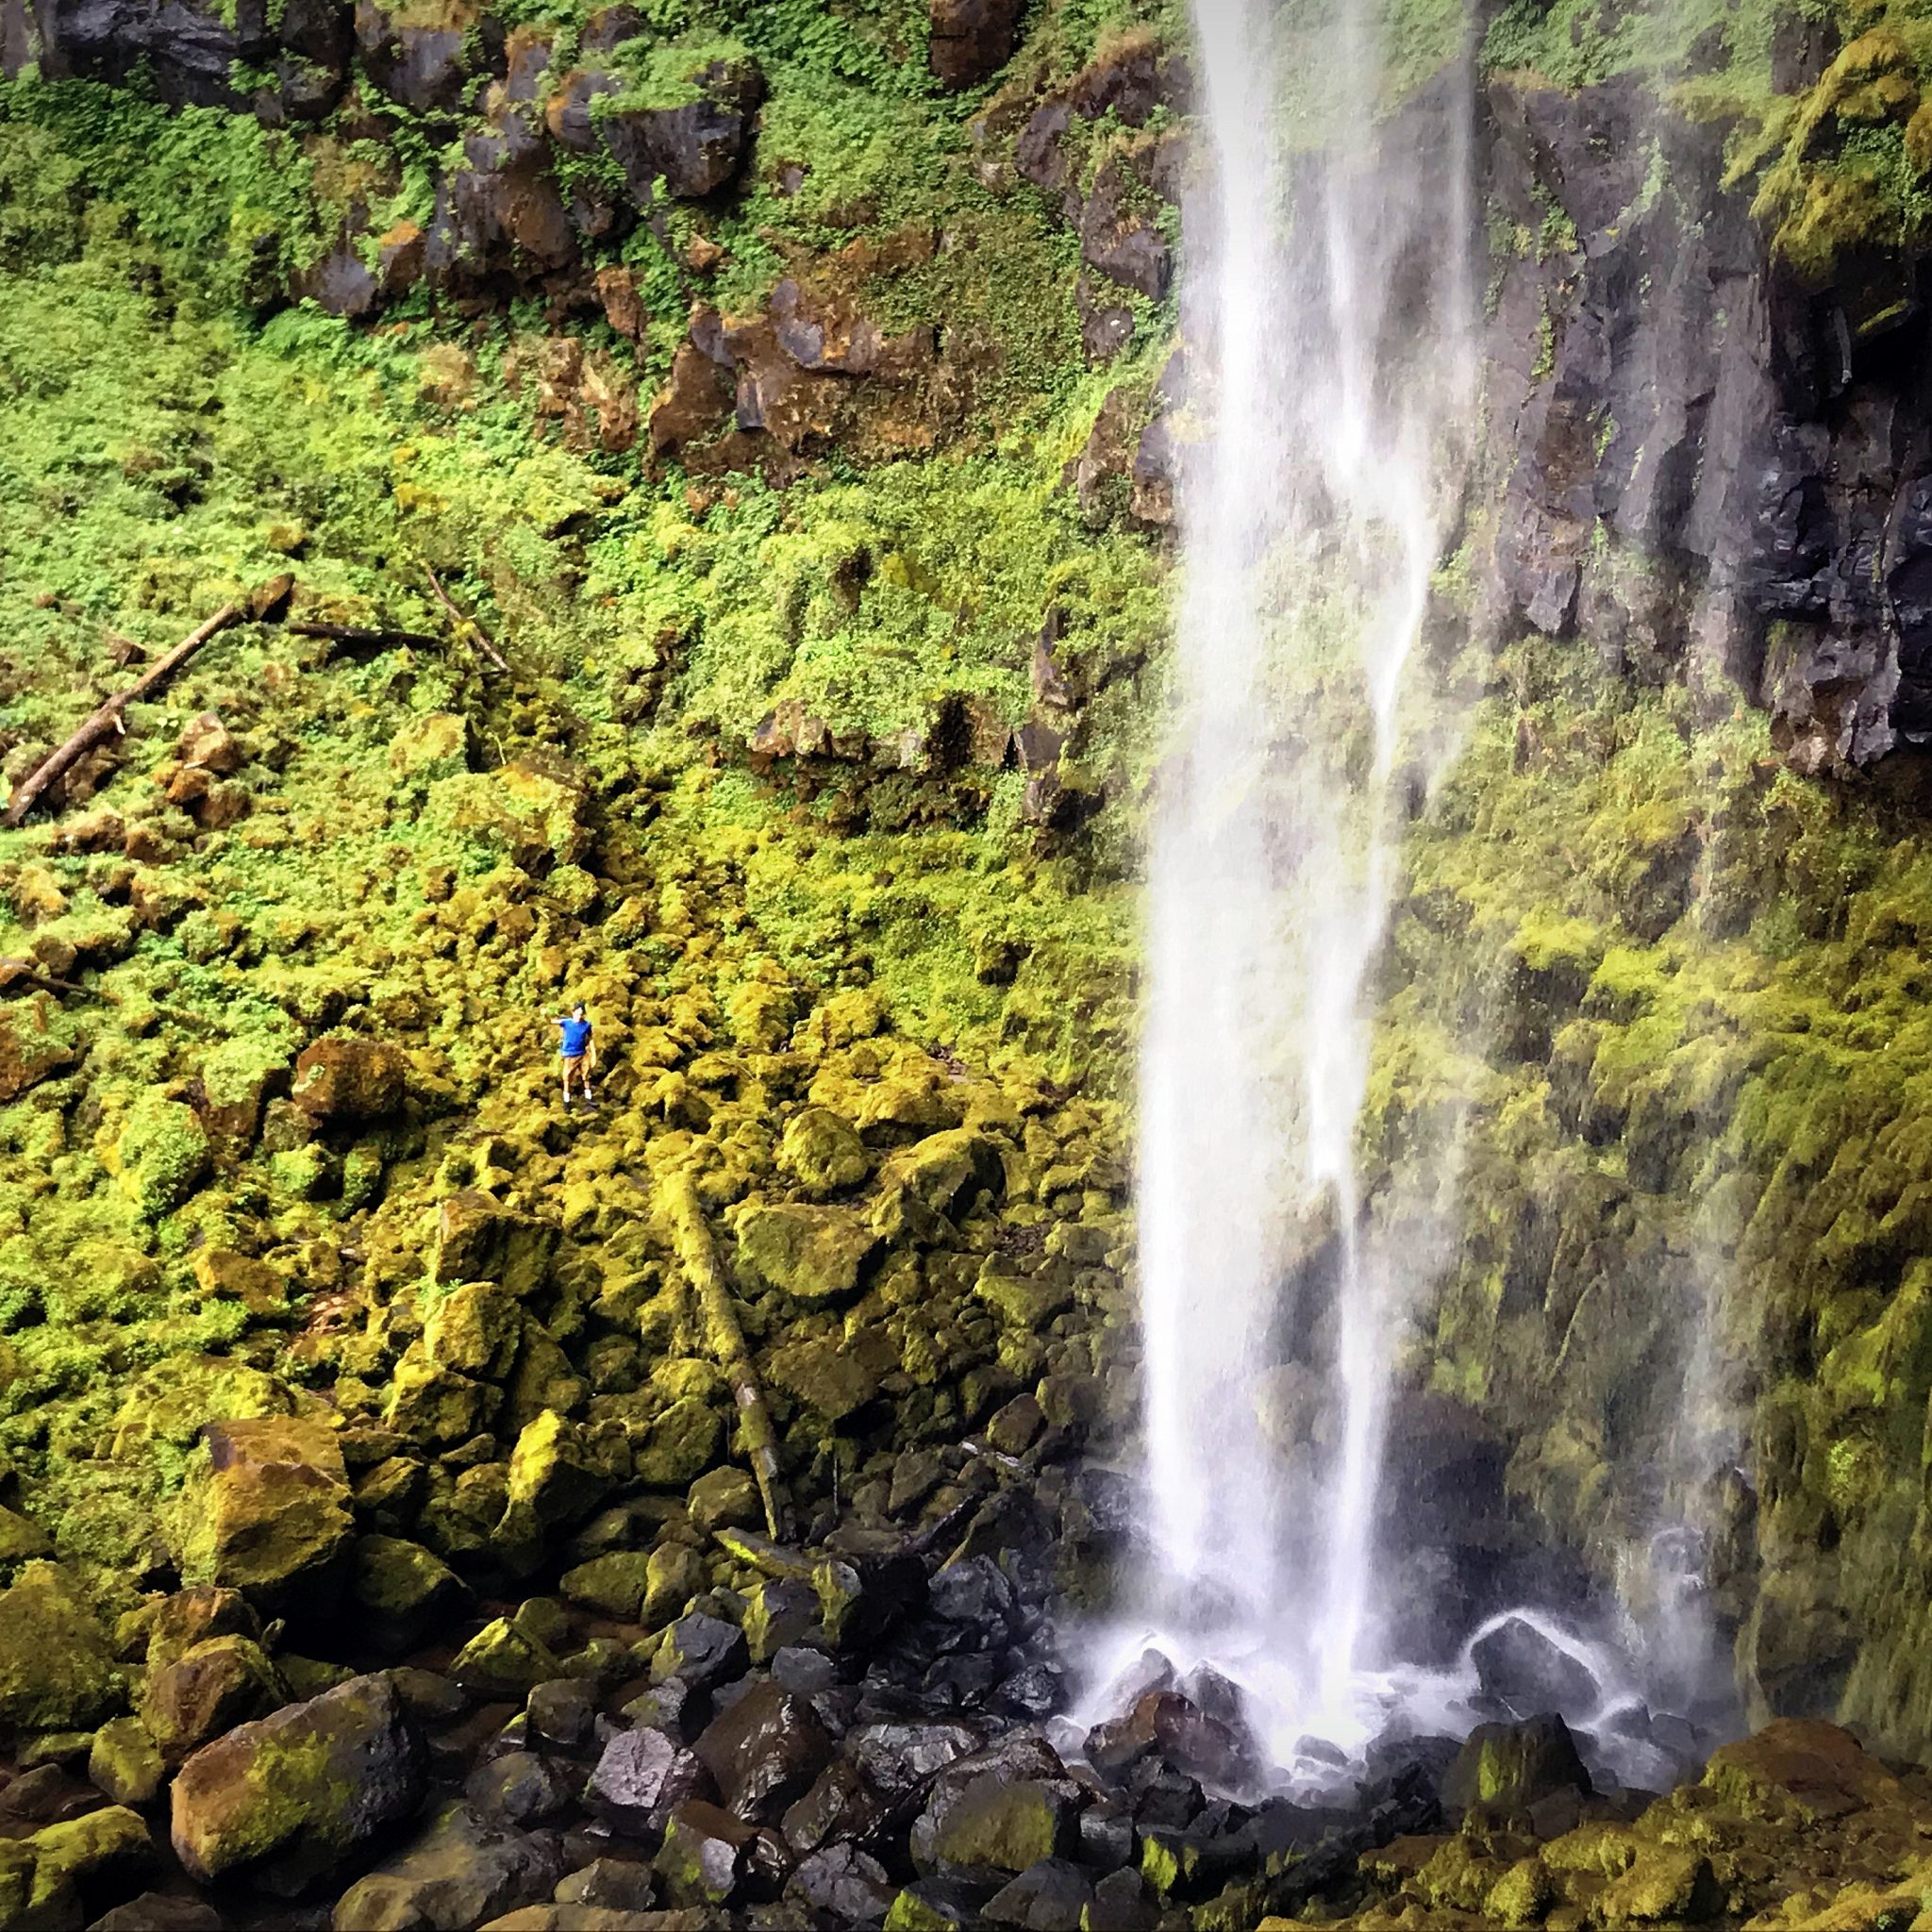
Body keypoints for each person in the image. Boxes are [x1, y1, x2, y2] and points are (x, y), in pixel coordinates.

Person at [548, 1002, 596, 1108]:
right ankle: (566, 1101)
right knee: (567, 1077)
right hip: (570, 1054)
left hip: (582, 1053)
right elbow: (552, 1021)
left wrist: (594, 1055)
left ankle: (589, 1099)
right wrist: (546, 1014)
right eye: (577, 1013)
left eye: (581, 1014)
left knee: (586, 1075)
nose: (579, 1016)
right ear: (573, 1012)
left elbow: (591, 1039)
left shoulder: (586, 1025)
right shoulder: (567, 1022)